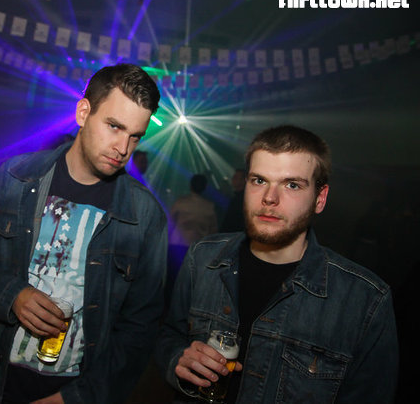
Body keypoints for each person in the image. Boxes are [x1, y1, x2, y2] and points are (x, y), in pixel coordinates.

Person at [0, 64, 167, 404]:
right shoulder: (16, 177)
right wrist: (12, 295)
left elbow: (140, 330)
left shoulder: (144, 216)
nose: (123, 147)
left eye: (135, 136)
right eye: (114, 126)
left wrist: (79, 397)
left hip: (69, 392)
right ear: (83, 112)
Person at [156, 125, 398, 403]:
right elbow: (170, 335)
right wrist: (178, 359)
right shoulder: (203, 258)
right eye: (259, 180)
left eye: (292, 185)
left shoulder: (364, 300)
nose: (270, 198)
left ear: (319, 199)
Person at [220, 168, 245, 233]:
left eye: (235, 177)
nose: (232, 179)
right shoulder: (237, 197)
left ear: (243, 181)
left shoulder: (240, 200)